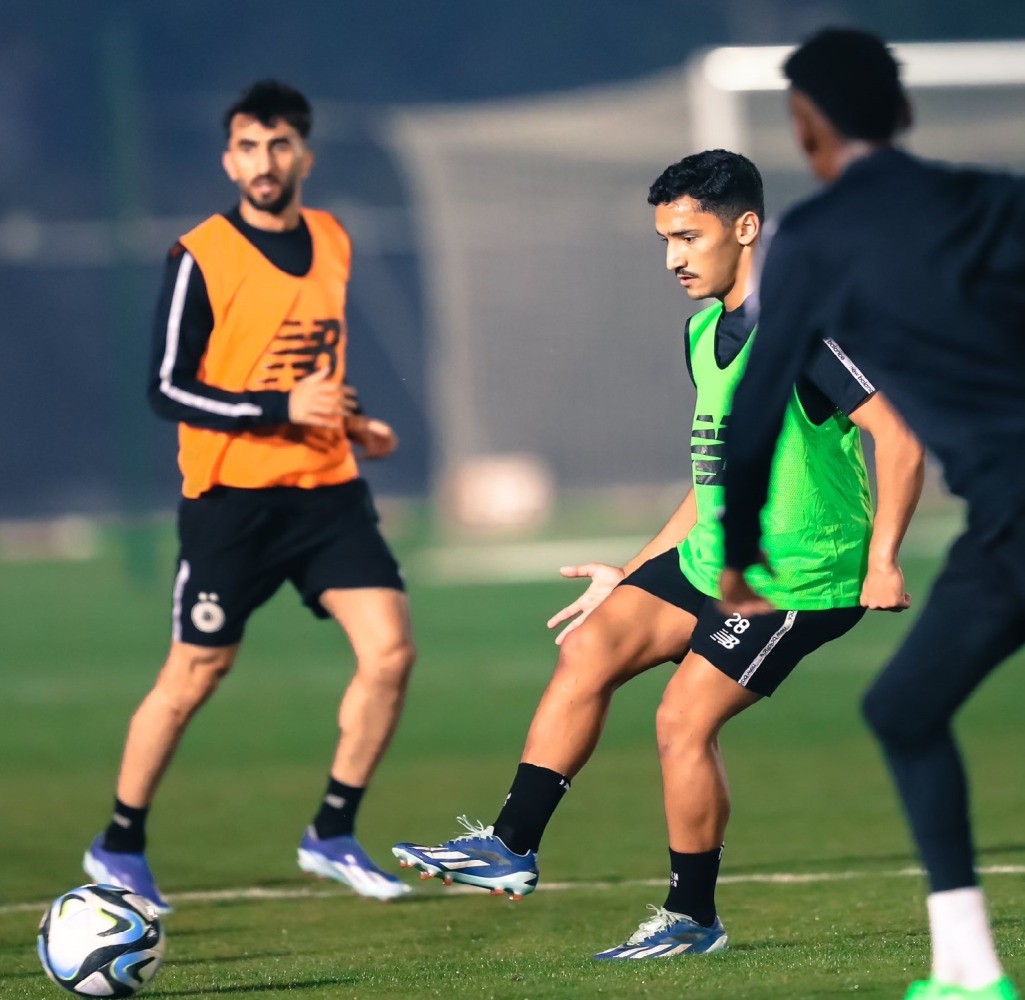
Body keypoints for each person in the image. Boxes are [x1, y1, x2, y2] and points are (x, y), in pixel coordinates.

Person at [392, 149, 923, 958]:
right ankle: (509, 848)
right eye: (663, 239)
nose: (673, 257)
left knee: (681, 720)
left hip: (799, 578)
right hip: (714, 554)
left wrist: (884, 559)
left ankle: (691, 917)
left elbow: (901, 439)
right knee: (590, 643)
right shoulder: (702, 330)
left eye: (688, 236)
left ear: (744, 229)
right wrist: (634, 571)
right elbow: (711, 476)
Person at [717, 28, 1025, 1000]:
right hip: (1001, 527)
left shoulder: (811, 239)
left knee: (902, 712)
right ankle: (964, 967)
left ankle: (970, 969)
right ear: (903, 110)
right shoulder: (994, 198)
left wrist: (735, 552)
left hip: (1013, 515)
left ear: (805, 128)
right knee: (899, 706)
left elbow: (759, 402)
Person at [83, 80, 416, 908]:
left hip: (327, 490)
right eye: (246, 147)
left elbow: (314, 368)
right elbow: (167, 387)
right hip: (231, 501)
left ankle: (332, 833)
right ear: (227, 158)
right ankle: (118, 842)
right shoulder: (200, 254)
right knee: (195, 674)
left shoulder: (332, 238)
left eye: (278, 146)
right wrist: (277, 409)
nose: (262, 163)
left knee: (390, 652)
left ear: (304, 153)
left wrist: (360, 425)